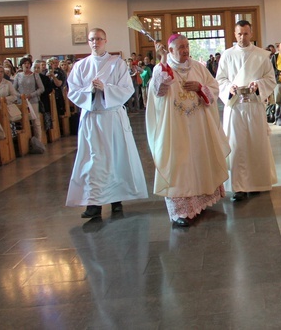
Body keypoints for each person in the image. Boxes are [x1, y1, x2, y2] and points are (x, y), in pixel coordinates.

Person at [146, 34, 230, 227]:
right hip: (175, 127)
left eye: (186, 46)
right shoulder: (163, 69)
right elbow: (159, 90)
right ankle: (181, 211)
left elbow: (214, 88)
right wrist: (162, 59)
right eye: (180, 47)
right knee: (180, 165)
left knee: (200, 159)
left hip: (198, 124)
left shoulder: (198, 67)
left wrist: (200, 88)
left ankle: (200, 201)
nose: (185, 50)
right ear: (171, 51)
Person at [66, 28, 148, 219]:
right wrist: (90, 90)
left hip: (111, 118)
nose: (95, 42)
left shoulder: (116, 63)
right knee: (92, 160)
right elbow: (73, 91)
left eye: (99, 39)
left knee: (114, 158)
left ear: (106, 40)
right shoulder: (81, 66)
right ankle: (93, 202)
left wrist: (106, 89)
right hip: (92, 118)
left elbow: (127, 88)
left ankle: (116, 200)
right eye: (92, 39)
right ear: (88, 42)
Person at [216, 20, 278, 201]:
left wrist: (258, 85)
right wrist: (229, 88)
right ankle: (239, 186)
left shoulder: (262, 55)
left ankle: (257, 182)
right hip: (235, 106)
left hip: (254, 105)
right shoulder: (227, 55)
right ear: (235, 35)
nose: (242, 37)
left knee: (255, 143)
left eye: (245, 33)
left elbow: (271, 79)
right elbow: (219, 80)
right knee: (237, 145)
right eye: (239, 34)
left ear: (251, 33)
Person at [13, 57, 44, 142]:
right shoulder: (18, 76)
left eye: (28, 63)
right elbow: (13, 89)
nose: (27, 65)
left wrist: (31, 95)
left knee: (35, 121)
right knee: (23, 121)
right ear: (21, 65)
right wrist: (20, 96)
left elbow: (41, 88)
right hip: (22, 101)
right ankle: (25, 141)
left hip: (33, 100)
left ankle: (39, 141)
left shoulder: (35, 75)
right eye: (25, 63)